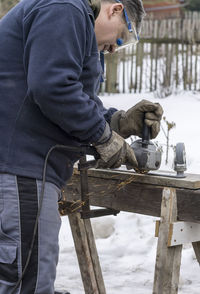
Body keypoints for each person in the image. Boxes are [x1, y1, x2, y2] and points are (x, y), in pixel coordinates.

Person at [0, 0, 163, 293]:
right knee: (28, 282)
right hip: (21, 168)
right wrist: (103, 137)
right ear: (115, 10)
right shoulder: (65, 8)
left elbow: (70, 97)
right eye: (121, 38)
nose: (114, 49)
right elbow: (53, 87)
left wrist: (118, 122)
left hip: (18, 166)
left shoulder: (70, 18)